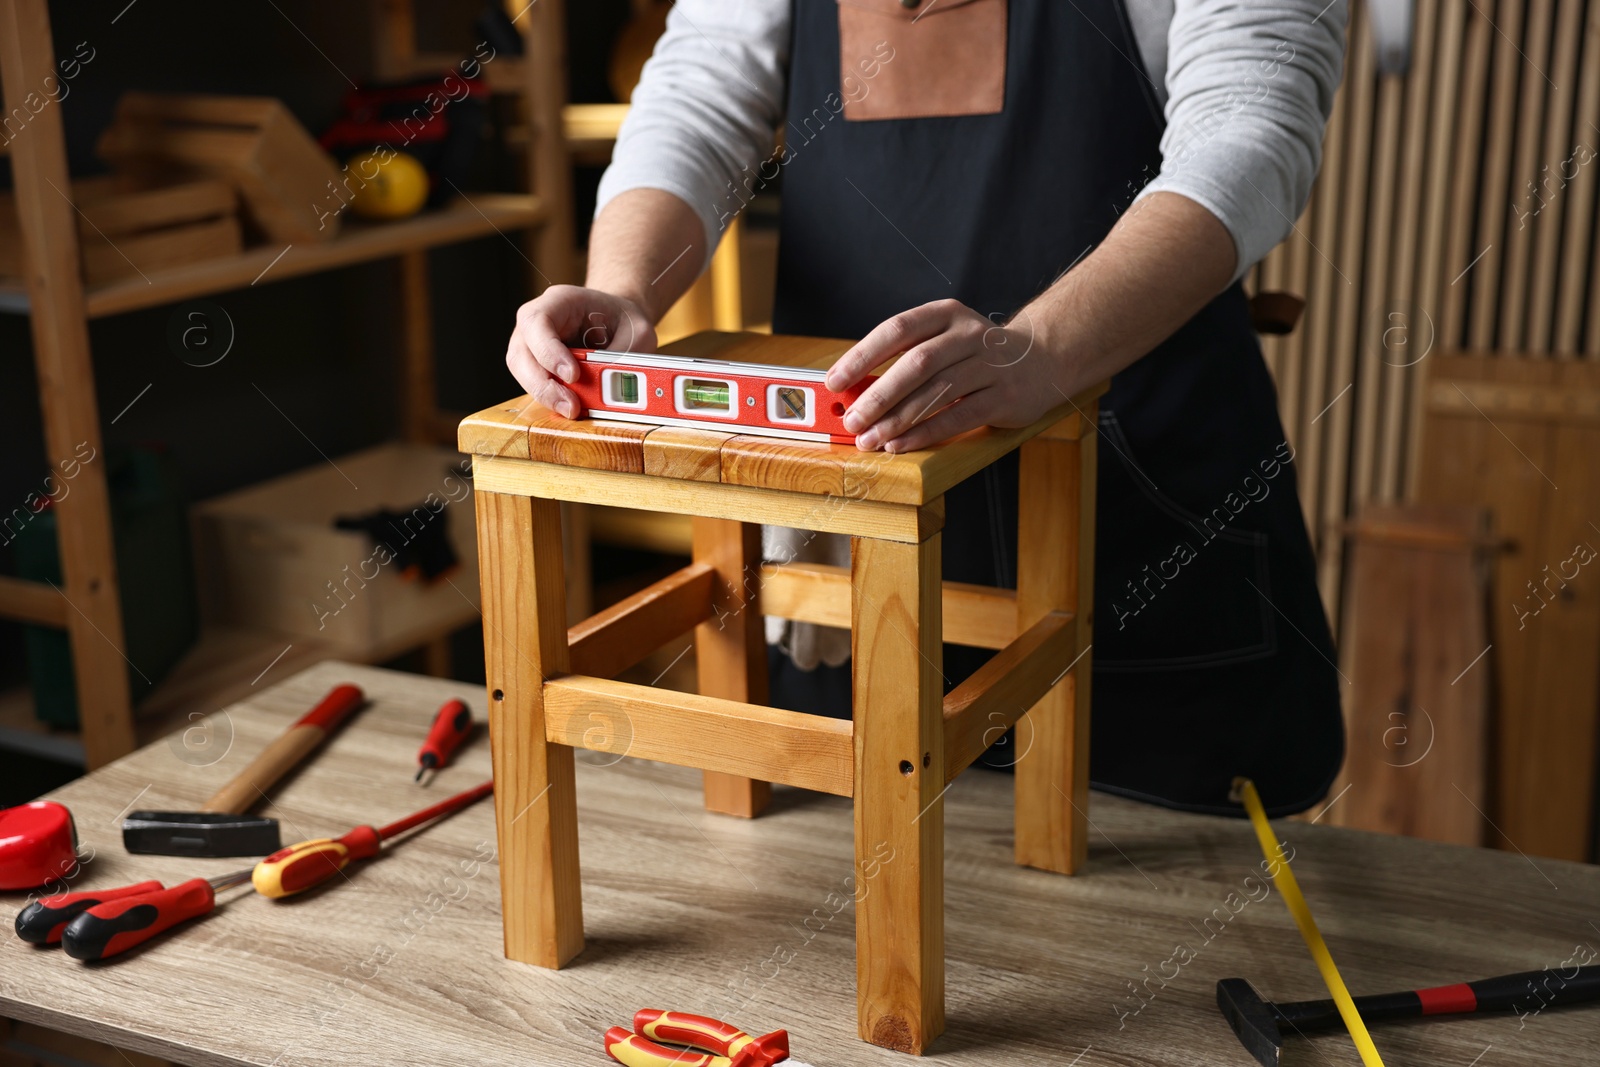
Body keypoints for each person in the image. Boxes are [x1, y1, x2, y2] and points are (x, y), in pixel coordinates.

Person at [505, 0, 1347, 816]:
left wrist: (1043, 349)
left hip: (1147, 553)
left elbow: (1249, 126)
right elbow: (699, 92)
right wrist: (623, 284)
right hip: (851, 550)